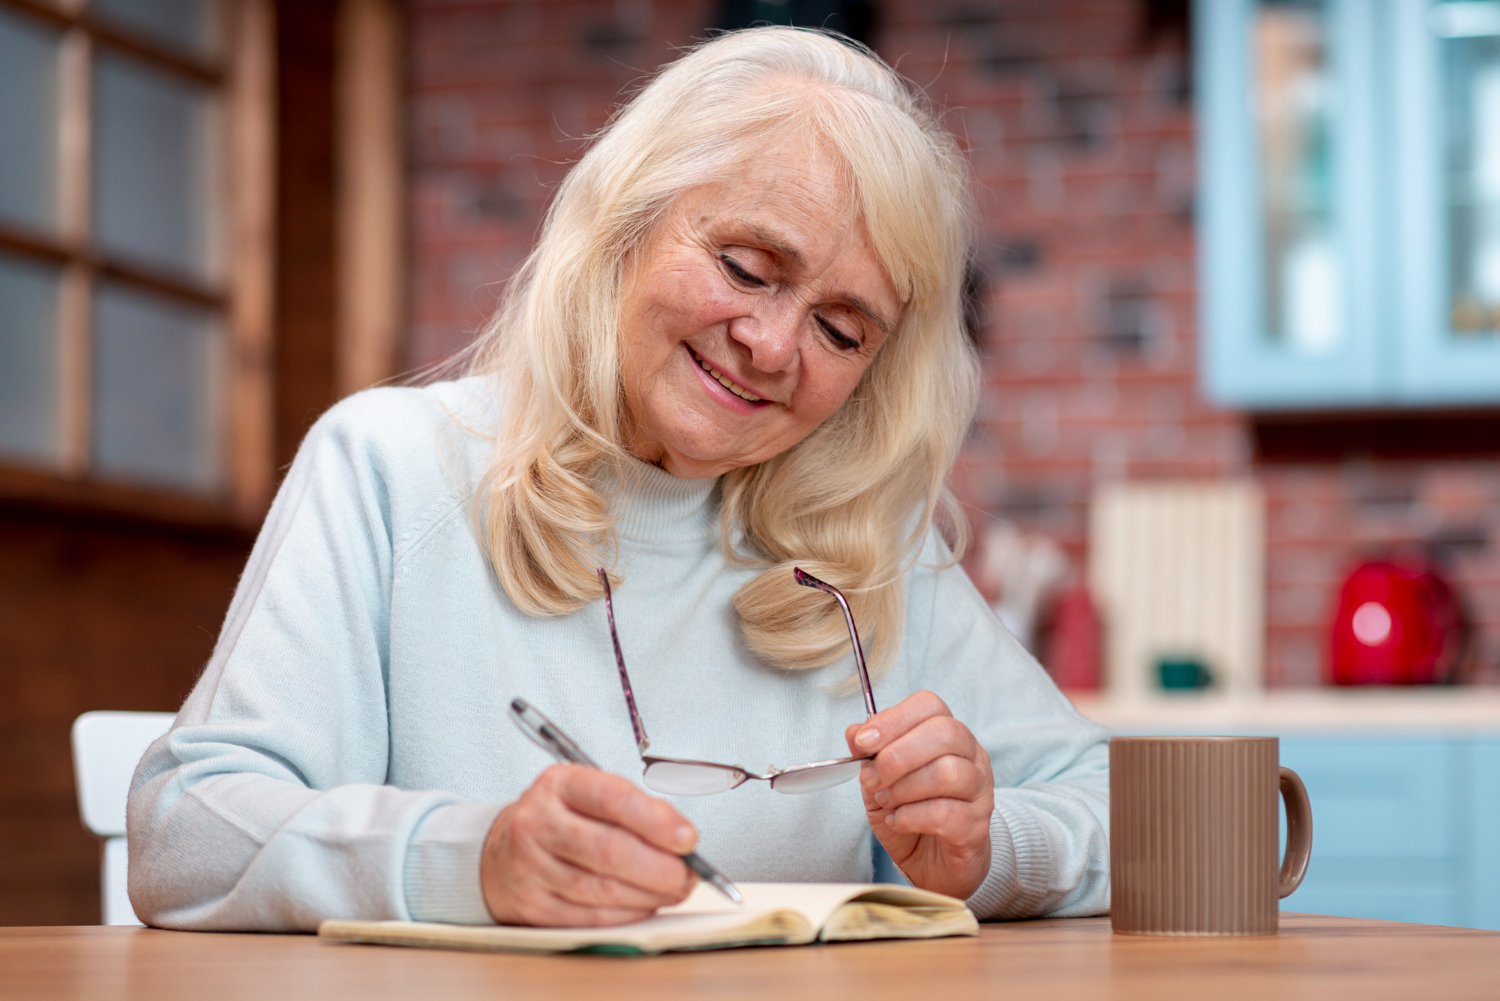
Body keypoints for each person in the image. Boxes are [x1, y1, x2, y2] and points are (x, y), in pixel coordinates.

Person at [128, 26, 1109, 931]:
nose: (771, 346)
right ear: (628, 222)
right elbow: (185, 828)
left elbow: (1113, 809)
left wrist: (986, 848)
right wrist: (469, 860)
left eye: (840, 329)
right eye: (746, 266)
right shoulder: (389, 467)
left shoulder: (870, 545)